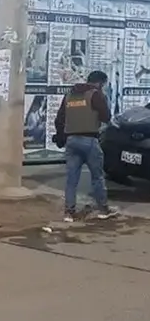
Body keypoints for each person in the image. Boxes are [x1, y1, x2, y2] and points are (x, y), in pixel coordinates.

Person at [53, 70, 118, 222]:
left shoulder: (69, 95)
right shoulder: (95, 94)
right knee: (97, 177)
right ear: (100, 82)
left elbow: (59, 119)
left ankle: (69, 212)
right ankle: (103, 209)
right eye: (104, 84)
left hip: (72, 141)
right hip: (89, 140)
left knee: (71, 179)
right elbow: (106, 117)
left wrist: (61, 136)